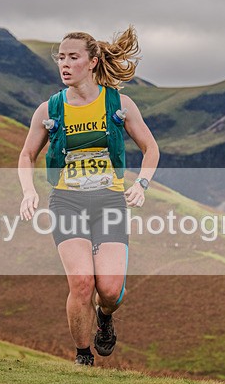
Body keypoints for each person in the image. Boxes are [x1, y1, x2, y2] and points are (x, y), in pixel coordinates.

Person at [18, 26, 159, 366]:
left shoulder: (118, 103)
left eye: (72, 57)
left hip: (109, 202)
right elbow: (26, 155)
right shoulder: (49, 109)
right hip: (67, 201)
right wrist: (28, 192)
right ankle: (83, 358)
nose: (64, 64)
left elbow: (151, 148)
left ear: (92, 62)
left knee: (108, 290)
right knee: (81, 282)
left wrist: (141, 184)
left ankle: (105, 317)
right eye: (60, 58)